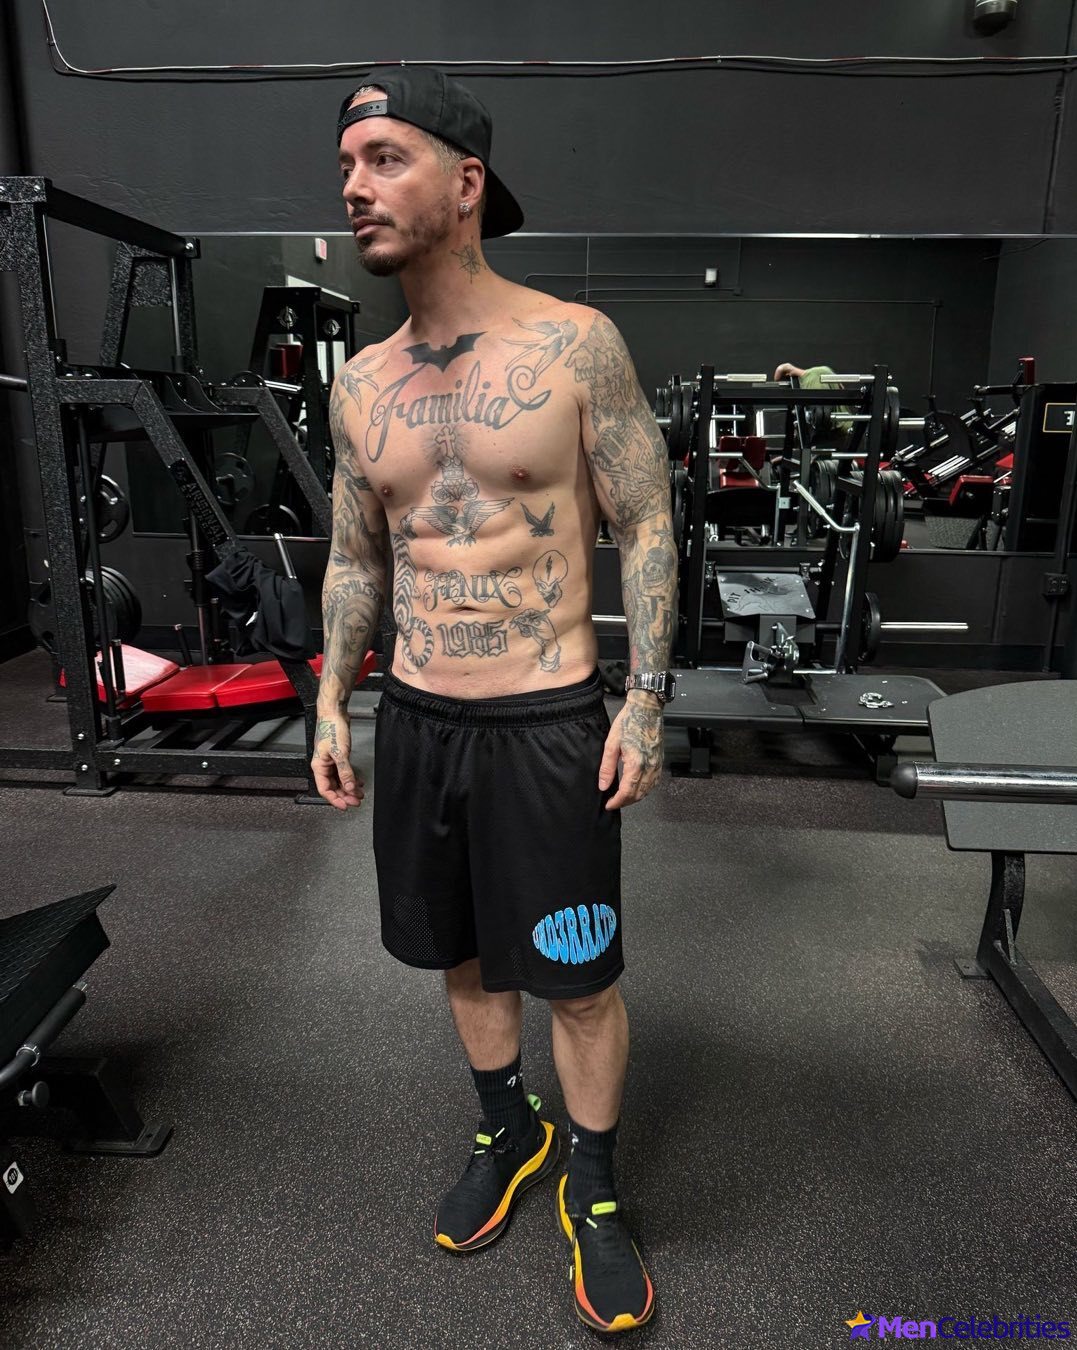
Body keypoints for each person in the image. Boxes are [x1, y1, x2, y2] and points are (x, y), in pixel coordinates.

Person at [312, 68, 677, 1336]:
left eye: (385, 159)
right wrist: (329, 698)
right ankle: (507, 1127)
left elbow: (646, 522)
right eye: (346, 165)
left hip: (546, 719)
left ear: (466, 183)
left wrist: (647, 697)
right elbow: (357, 556)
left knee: (576, 975)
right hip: (420, 719)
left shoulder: (575, 344)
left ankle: (595, 1181)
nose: (355, 187)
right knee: (459, 951)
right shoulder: (360, 383)